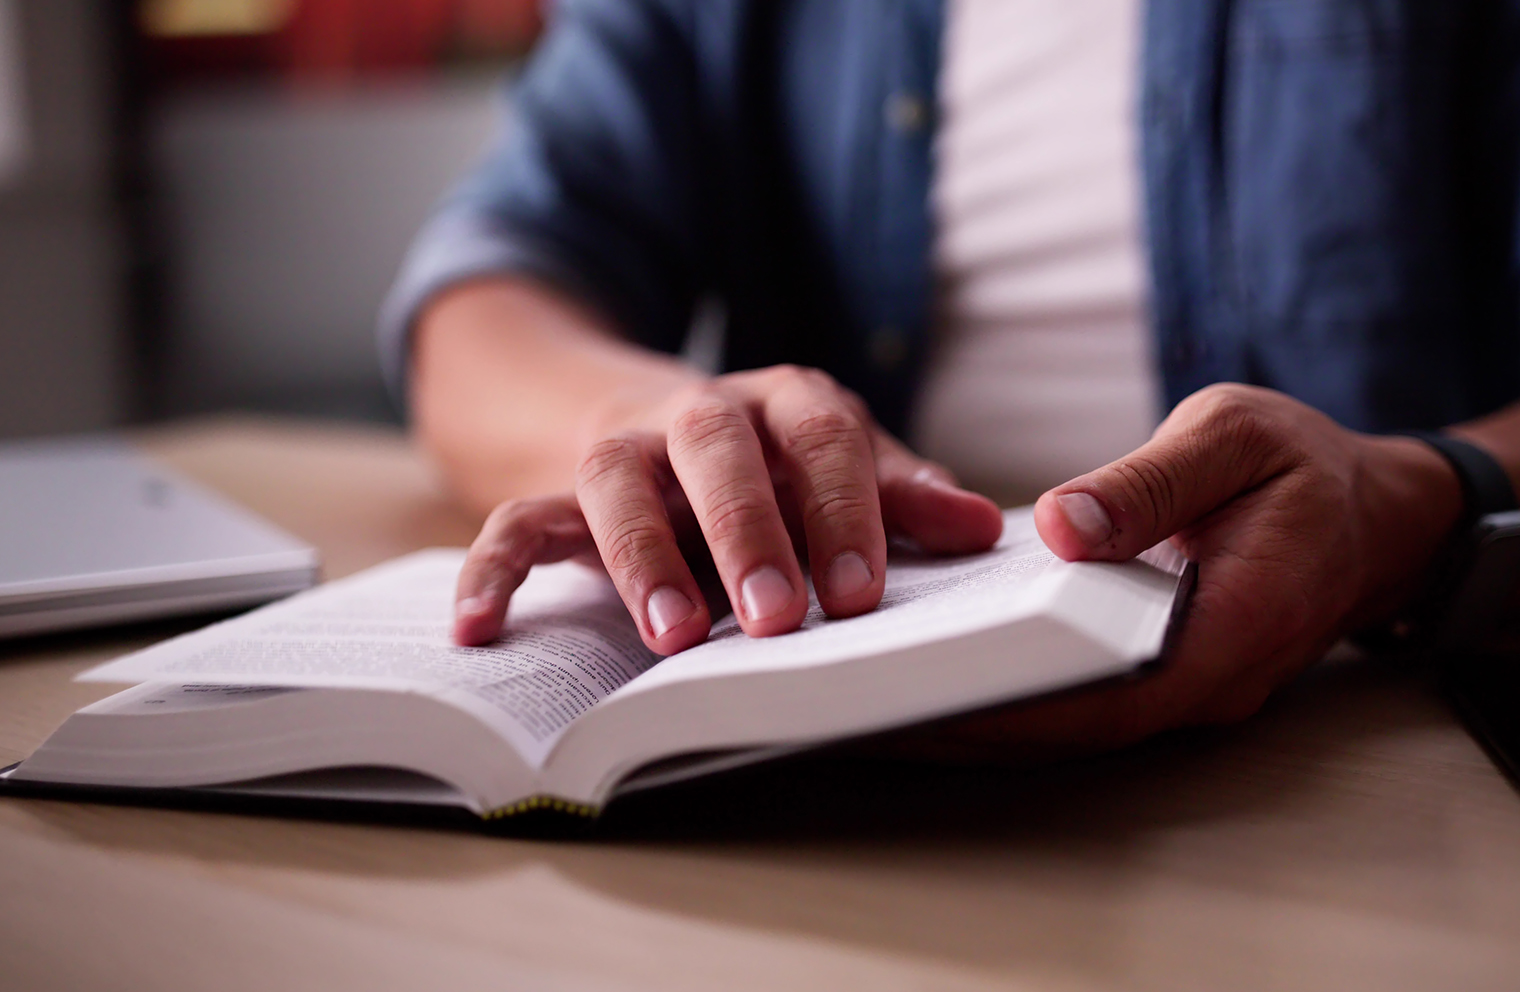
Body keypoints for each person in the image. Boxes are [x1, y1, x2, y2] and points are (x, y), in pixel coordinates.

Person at [379, 0, 1520, 752]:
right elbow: (485, 296)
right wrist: (659, 421)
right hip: (831, 747)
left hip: (1375, 728)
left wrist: (1407, 499)